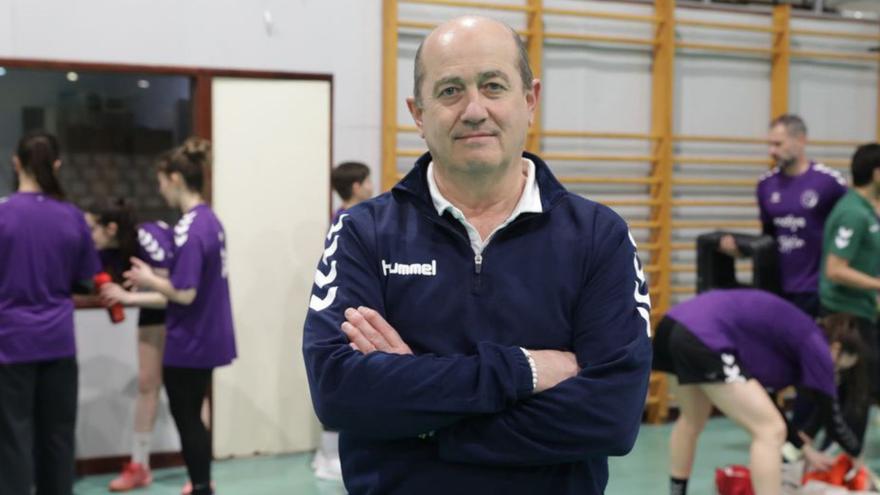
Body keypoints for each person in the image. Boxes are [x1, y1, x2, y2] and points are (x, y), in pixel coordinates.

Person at [302, 15, 653, 495]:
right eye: (449, 91)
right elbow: (339, 392)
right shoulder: (364, 233)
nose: (473, 109)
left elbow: (611, 416)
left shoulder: (598, 236)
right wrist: (524, 371)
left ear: (530, 100)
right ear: (418, 113)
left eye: (493, 86)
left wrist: (421, 421)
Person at [102, 138, 236, 495]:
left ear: (176, 178)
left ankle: (202, 486)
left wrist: (146, 281)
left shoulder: (190, 228)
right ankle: (202, 482)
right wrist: (155, 281)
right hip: (207, 334)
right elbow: (193, 281)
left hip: (190, 338)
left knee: (188, 417)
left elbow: (186, 292)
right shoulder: (211, 220)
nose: (159, 190)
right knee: (194, 414)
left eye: (161, 181)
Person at [653, 289, 867, 495]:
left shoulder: (795, 338)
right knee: (770, 431)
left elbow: (765, 402)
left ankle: (677, 491)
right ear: (836, 348)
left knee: (692, 420)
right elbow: (833, 419)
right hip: (703, 334)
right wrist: (857, 456)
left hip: (674, 324)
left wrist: (805, 449)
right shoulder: (816, 343)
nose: (833, 372)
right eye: (838, 366)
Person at [0, 131, 102, 495]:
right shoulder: (72, 218)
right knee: (57, 439)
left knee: (12, 441)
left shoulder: (3, 215)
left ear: (16, 162)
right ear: (56, 165)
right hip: (58, 344)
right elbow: (86, 280)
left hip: (10, 346)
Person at [85, 197, 176, 491]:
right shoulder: (103, 251)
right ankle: (140, 465)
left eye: (92, 229)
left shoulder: (148, 240)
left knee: (187, 389)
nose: (88, 235)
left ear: (111, 228)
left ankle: (198, 467)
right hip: (153, 307)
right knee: (147, 383)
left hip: (186, 310)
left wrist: (130, 297)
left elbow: (176, 294)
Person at [718, 114, 847, 317]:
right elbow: (768, 237)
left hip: (817, 290)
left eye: (778, 144)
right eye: (770, 145)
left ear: (801, 140)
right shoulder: (766, 185)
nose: (772, 151)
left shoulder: (829, 182)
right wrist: (741, 250)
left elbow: (851, 229)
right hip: (777, 288)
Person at [312, 160, 375, 482]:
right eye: (367, 181)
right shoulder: (348, 222)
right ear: (355, 186)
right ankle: (328, 455)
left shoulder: (352, 218)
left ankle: (326, 454)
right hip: (343, 315)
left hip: (352, 314)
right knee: (339, 379)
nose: (371, 187)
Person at [819, 142, 880, 438]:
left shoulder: (867, 210)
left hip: (863, 309)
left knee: (859, 388)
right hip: (846, 315)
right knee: (857, 389)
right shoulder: (853, 214)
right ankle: (844, 461)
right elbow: (835, 269)